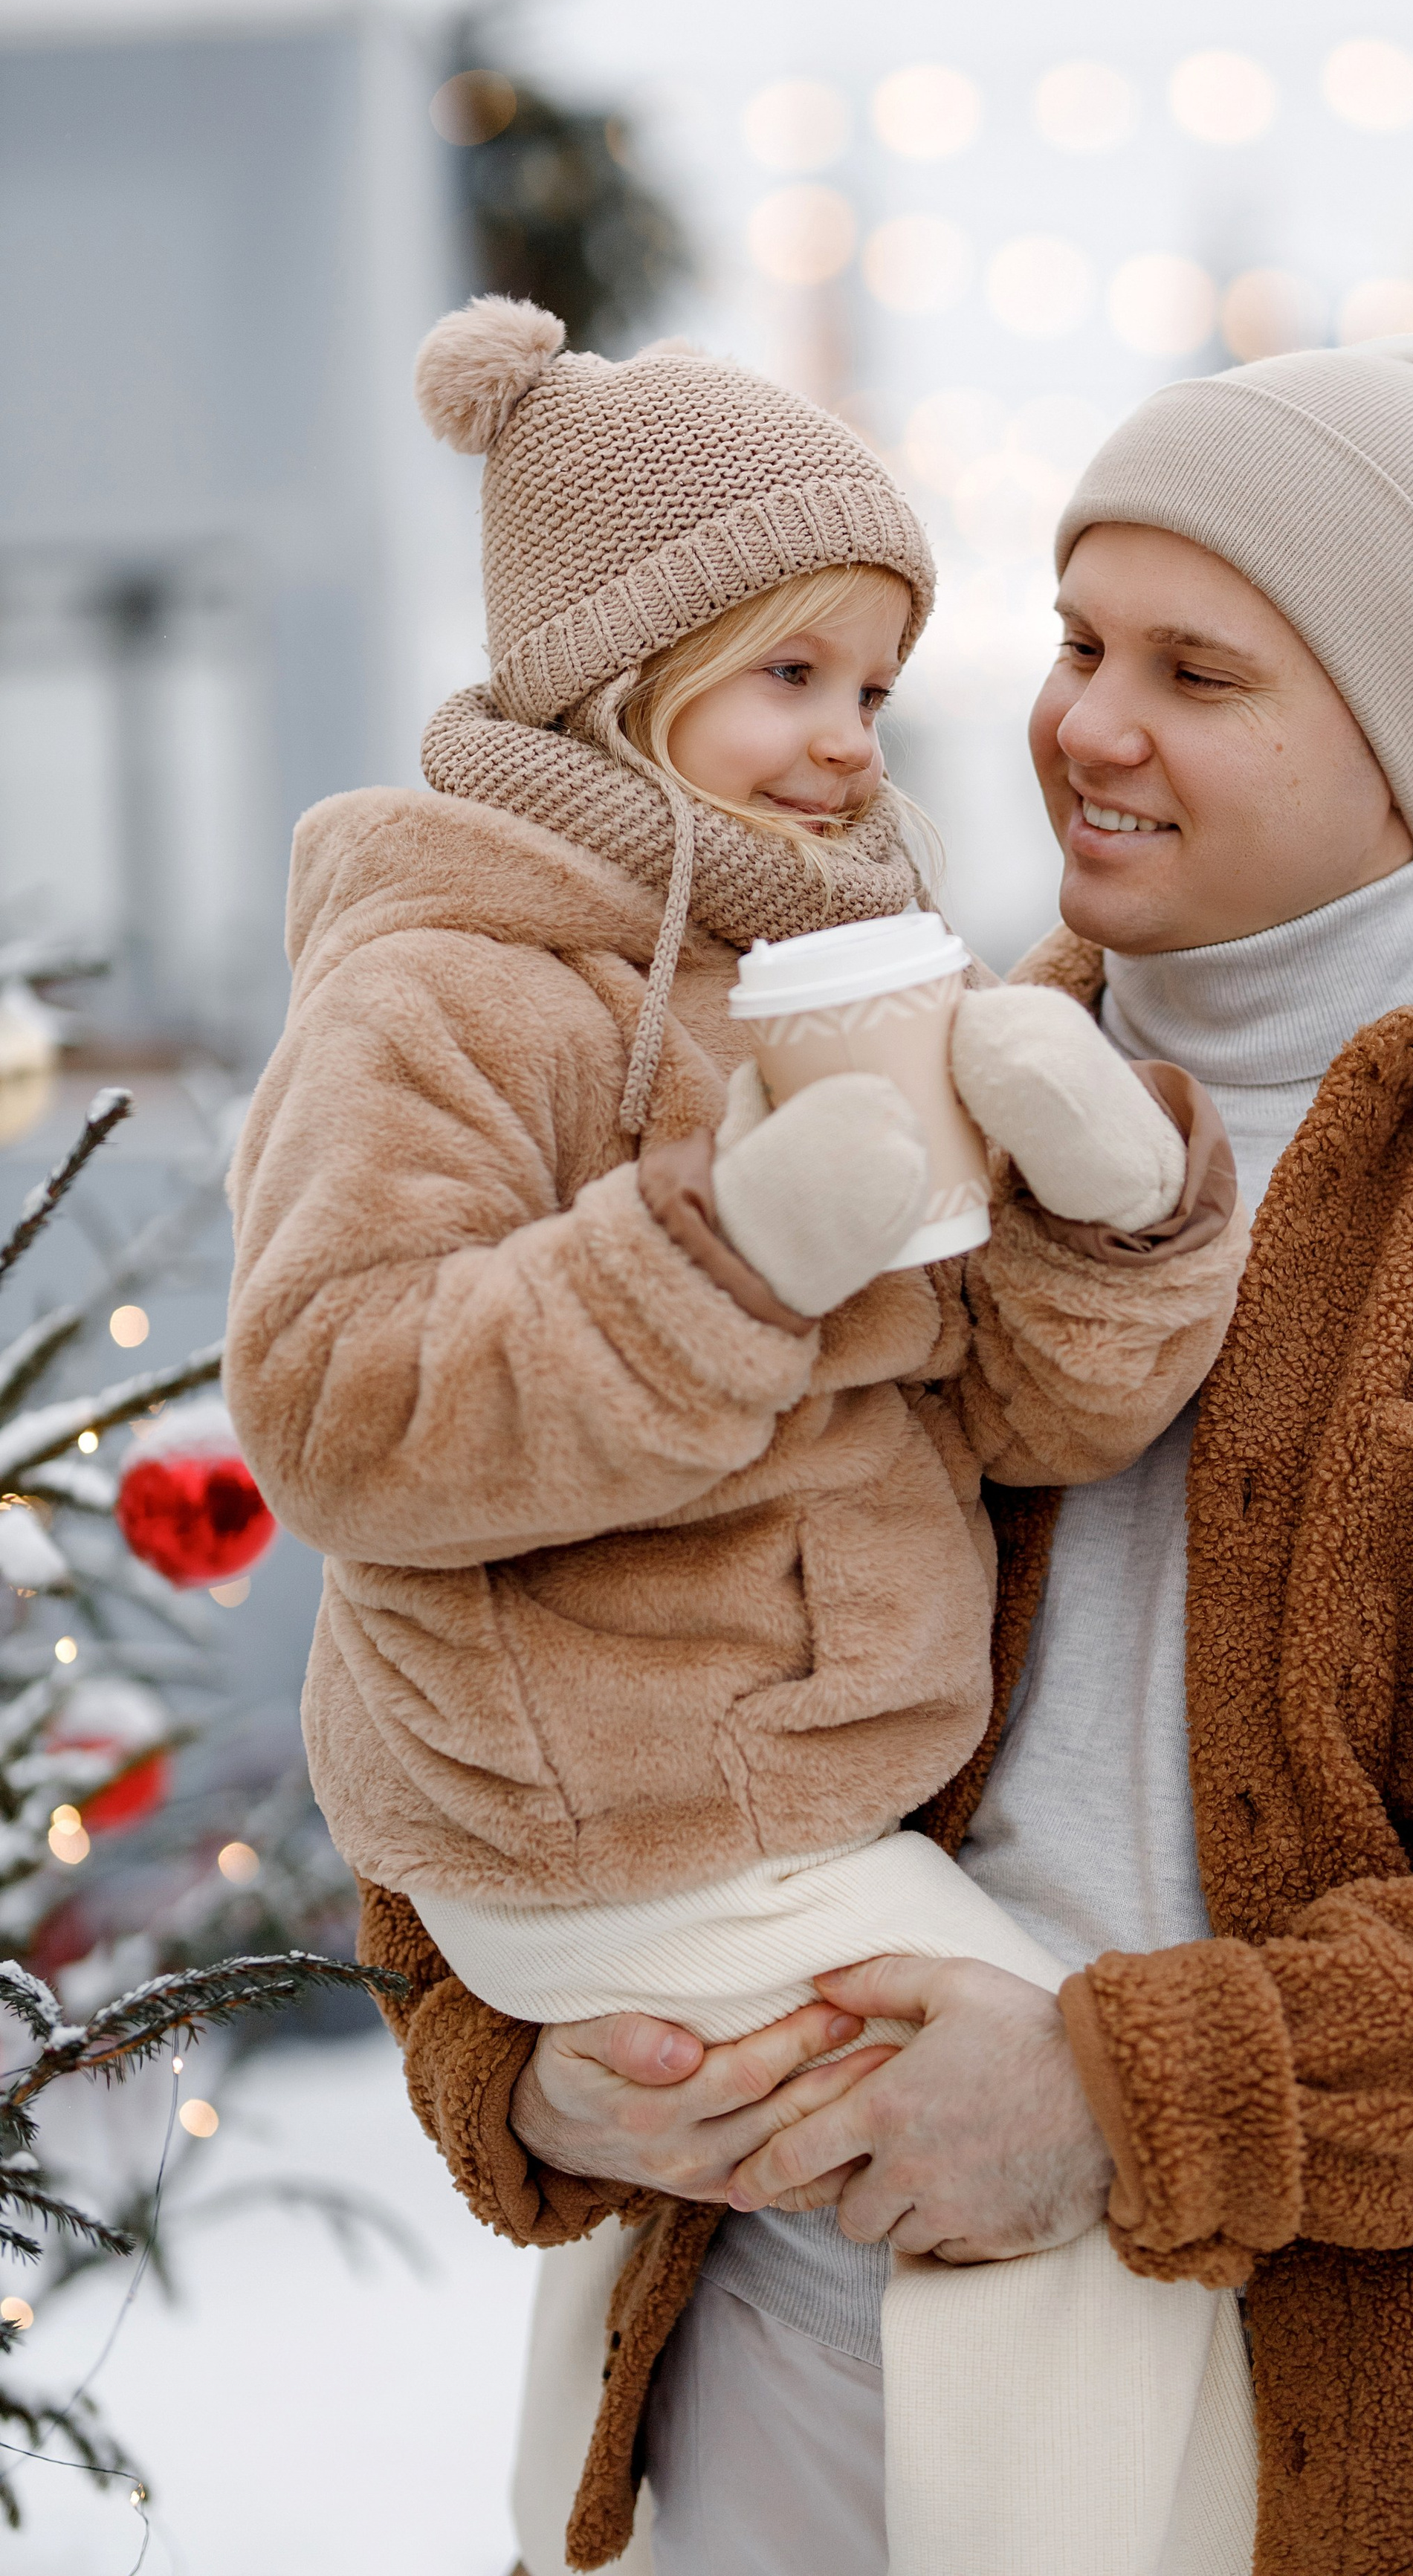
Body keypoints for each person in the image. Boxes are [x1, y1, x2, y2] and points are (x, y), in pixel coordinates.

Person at [353, 334, 1413, 2576]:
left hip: (1343, 2447)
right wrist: (509, 2060)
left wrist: (1122, 2096)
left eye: (1199, 668)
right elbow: (505, 1594)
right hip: (766, 2365)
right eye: (1078, 640)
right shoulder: (846, 1080)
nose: (1085, 722)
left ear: (1401, 743)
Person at [223, 302, 1257, 2576]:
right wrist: (717, 1259)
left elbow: (1004, 1417)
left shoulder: (827, 972)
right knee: (1064, 2172)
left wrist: (1107, 1216)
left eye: (874, 693)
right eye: (789, 677)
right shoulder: (444, 985)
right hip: (626, 1806)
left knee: (917, 2159)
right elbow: (341, 1404)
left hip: (782, 1791)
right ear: (622, 667)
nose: (846, 751)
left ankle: (627, 2525)